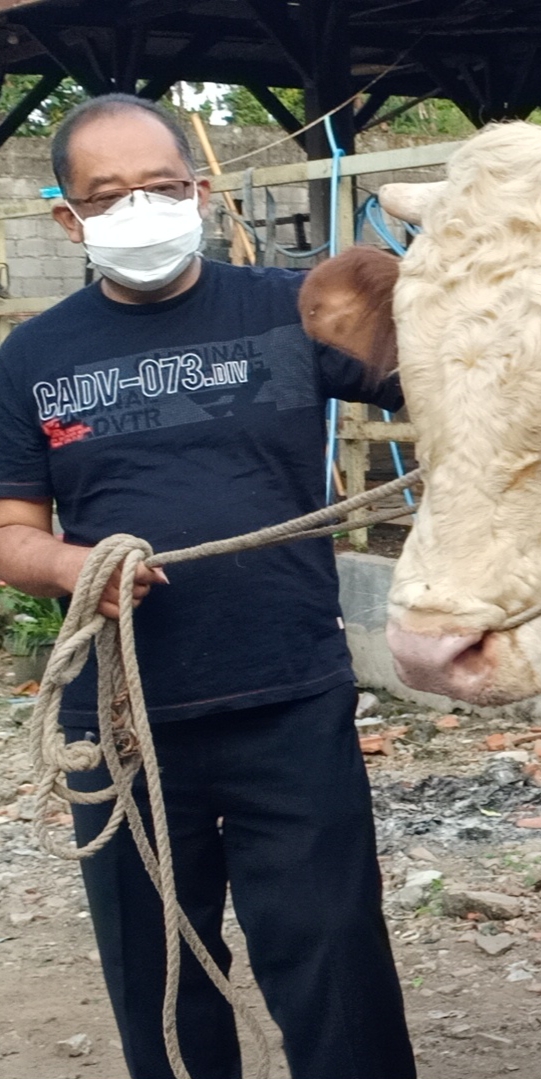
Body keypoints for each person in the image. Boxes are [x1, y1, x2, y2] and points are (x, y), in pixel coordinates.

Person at [0, 95, 415, 1078]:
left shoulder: (296, 306)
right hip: (123, 713)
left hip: (290, 697)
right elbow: (12, 530)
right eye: (110, 195)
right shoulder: (29, 357)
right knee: (161, 971)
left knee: (331, 955)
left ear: (196, 188)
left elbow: (454, 366)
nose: (140, 209)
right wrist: (70, 566)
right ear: (70, 218)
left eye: (160, 186)